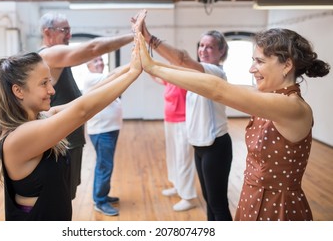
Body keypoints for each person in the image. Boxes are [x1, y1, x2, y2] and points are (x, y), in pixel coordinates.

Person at [135, 26, 330, 221]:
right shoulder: (267, 96)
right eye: (253, 60)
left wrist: (153, 66)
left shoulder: (292, 106)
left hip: (277, 208)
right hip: (252, 198)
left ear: (287, 65)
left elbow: (217, 90)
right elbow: (205, 81)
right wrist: (152, 66)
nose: (252, 69)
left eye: (259, 61)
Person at [0, 33, 143, 220]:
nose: (52, 90)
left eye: (50, 82)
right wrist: (134, 72)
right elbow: (82, 111)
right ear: (18, 90)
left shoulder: (40, 119)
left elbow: (87, 97)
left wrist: (136, 63)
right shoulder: (19, 137)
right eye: (43, 83)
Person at [134, 14, 233, 220]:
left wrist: (150, 38)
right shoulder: (196, 74)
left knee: (218, 204)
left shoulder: (215, 72)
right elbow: (169, 69)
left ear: (221, 51)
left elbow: (181, 59)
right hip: (200, 146)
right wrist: (143, 52)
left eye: (210, 47)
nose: (203, 50)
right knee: (209, 200)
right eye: (201, 45)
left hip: (216, 146)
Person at [38, 12, 135, 200]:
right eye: (64, 30)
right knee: (59, 199)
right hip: (60, 145)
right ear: (47, 32)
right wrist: (135, 36)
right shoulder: (48, 55)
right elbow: (93, 47)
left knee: (66, 197)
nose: (69, 35)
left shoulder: (58, 59)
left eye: (69, 30)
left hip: (70, 142)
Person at [83, 56, 124, 216]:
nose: (100, 63)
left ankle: (100, 195)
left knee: (104, 165)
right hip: (102, 131)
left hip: (109, 129)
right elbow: (117, 75)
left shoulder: (100, 79)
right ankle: (100, 201)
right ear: (88, 65)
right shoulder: (92, 78)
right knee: (104, 166)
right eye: (95, 61)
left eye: (101, 60)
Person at [150, 76, 197, 211]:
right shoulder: (170, 78)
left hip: (183, 122)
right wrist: (147, 68)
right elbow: (158, 78)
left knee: (184, 159)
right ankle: (178, 186)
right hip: (170, 121)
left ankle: (188, 198)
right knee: (173, 157)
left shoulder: (182, 78)